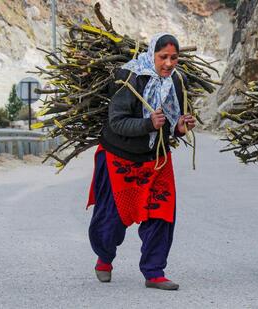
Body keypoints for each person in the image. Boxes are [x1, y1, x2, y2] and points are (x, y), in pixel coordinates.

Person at [86, 33, 196, 290]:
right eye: (163, 57)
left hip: (156, 158)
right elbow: (116, 122)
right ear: (152, 55)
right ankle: (104, 256)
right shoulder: (129, 78)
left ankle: (154, 271)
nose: (169, 63)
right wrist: (148, 123)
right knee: (111, 219)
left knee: (162, 213)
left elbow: (170, 125)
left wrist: (179, 127)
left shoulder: (177, 81)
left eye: (174, 58)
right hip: (120, 157)